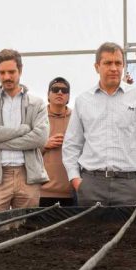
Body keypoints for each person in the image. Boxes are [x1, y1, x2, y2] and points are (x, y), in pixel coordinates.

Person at [63, 42, 136, 206]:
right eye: (108, 63)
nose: (114, 68)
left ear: (123, 65)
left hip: (129, 185)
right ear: (97, 66)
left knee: (129, 232)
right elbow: (71, 144)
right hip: (91, 184)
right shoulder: (83, 101)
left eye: (118, 63)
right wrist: (76, 179)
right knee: (93, 232)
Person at [0, 49, 49, 213]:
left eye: (11, 72)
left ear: (20, 70)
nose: (7, 77)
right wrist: (22, 130)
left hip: (28, 175)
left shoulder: (37, 103)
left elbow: (40, 138)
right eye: (2, 72)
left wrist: (0, 142)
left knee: (26, 228)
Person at [40, 77, 74, 207]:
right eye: (55, 89)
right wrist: (44, 145)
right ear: (48, 95)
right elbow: (25, 149)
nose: (60, 92)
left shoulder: (76, 118)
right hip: (41, 192)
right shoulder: (37, 117)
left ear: (68, 96)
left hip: (70, 191)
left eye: (64, 90)